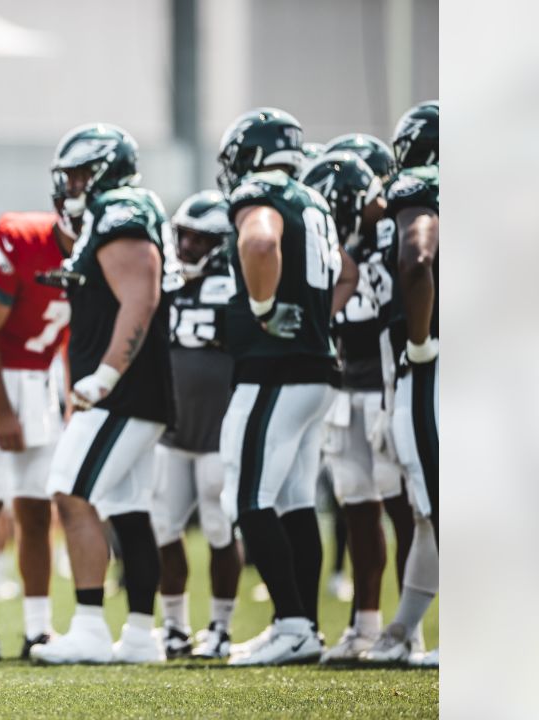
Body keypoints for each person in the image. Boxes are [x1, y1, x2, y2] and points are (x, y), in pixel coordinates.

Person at [213, 108, 358, 666]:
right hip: (315, 368)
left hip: (275, 367)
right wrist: (319, 317)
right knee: (295, 499)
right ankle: (303, 628)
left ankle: (294, 624)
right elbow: (344, 272)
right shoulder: (312, 200)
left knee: (246, 495)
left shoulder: (262, 195)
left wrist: (263, 307)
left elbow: (258, 245)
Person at [31, 124, 174, 665]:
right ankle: (140, 636)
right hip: (135, 389)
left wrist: (107, 374)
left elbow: (142, 293)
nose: (69, 184)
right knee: (128, 506)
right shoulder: (109, 214)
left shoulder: (123, 208)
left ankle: (90, 627)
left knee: (70, 491)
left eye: (78, 173)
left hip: (124, 390)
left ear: (105, 171)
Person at [0, 163, 73, 660]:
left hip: (41, 380)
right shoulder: (21, 238)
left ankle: (38, 629)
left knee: (36, 510)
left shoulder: (109, 248)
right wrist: (3, 411)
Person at [301, 150, 415, 662]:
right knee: (356, 510)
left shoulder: (398, 230)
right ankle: (365, 625)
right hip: (346, 391)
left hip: (390, 389)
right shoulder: (337, 245)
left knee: (404, 512)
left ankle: (408, 629)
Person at [149, 190, 242, 660]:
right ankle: (174, 628)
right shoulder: (166, 282)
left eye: (199, 240)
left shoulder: (236, 286)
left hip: (217, 431)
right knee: (164, 526)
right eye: (183, 236)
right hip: (172, 429)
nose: (186, 248)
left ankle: (221, 627)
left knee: (218, 525)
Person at [363, 100, 440, 667]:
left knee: (444, 503)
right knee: (426, 510)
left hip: (435, 364)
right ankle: (404, 628)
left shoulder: (422, 187)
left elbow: (416, 257)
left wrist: (419, 341)